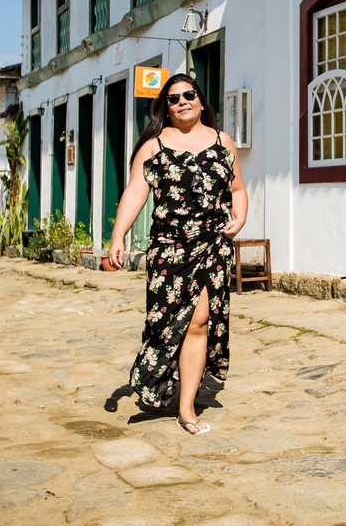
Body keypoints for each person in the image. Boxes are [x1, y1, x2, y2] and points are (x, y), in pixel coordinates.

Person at [106, 73, 247, 435]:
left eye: (189, 94)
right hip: (169, 249)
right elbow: (136, 192)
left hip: (212, 246)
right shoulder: (154, 146)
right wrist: (117, 236)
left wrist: (240, 216)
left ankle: (187, 408)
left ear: (201, 101)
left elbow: (238, 188)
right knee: (166, 325)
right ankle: (156, 376)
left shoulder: (223, 142)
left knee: (199, 321)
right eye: (173, 98)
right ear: (165, 109)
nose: (182, 101)